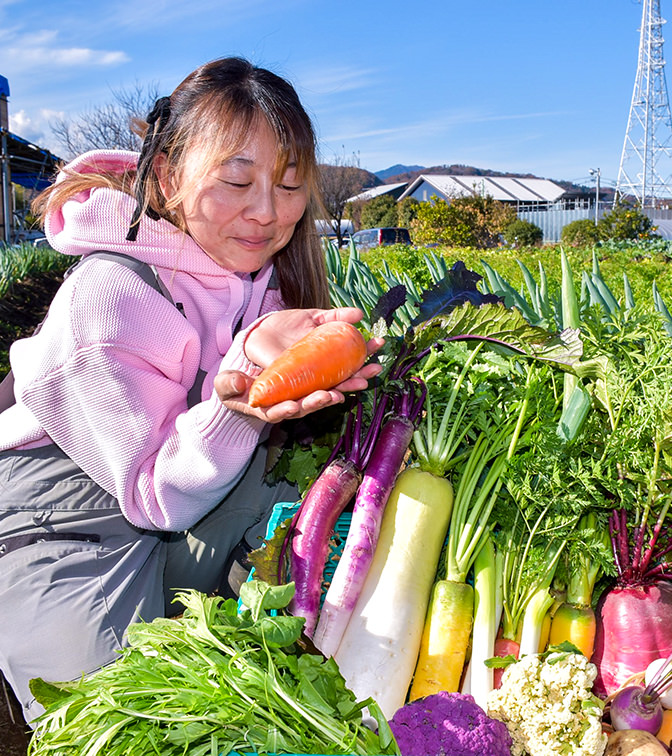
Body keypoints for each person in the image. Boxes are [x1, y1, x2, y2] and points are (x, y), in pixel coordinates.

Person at [0, 56, 381, 724]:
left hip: (178, 491)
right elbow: (155, 496)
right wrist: (239, 406)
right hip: (59, 519)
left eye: (290, 185)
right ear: (172, 177)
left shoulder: (261, 279)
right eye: (237, 179)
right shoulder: (112, 294)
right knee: (120, 718)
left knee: (299, 483)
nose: (267, 211)